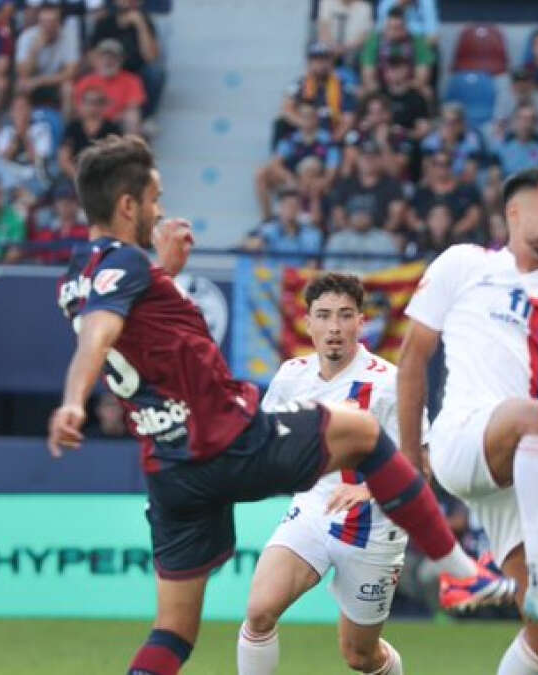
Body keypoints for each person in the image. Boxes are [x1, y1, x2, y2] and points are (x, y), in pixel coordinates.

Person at [46, 135, 511, 675]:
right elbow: (99, 336)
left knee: (173, 633)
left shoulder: (79, 279)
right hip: (222, 438)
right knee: (361, 433)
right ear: (128, 205)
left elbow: (123, 326)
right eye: (155, 197)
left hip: (170, 466)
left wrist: (163, 272)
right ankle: (457, 568)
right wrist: (74, 402)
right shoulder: (128, 265)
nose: (160, 209)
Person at [398, 164, 538, 667]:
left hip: (523, 474)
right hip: (467, 436)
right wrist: (412, 454)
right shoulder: (463, 263)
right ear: (514, 213)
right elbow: (412, 359)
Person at [238, 273, 482, 675]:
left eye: (345, 315)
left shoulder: (389, 383)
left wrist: (370, 489)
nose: (334, 327)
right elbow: (263, 446)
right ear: (309, 323)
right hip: (313, 509)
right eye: (324, 315)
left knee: (360, 656)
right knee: (259, 612)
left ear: (360, 322)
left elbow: (422, 466)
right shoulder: (290, 376)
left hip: (375, 527)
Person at [15, 3, 79, 111]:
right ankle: (23, 125)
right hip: (32, 82)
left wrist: (40, 81)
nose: (48, 26)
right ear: (38, 22)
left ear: (59, 23)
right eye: (44, 22)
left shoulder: (68, 36)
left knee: (68, 88)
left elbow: (71, 72)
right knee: (21, 85)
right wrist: (34, 51)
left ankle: (66, 125)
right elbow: (23, 73)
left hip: (55, 82)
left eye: (52, 21)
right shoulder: (27, 37)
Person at [73, 39, 146, 134]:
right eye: (104, 57)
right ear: (97, 60)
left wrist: (114, 117)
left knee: (132, 116)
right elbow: (78, 107)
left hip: (117, 122)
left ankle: (130, 147)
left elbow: (134, 106)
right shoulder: (87, 81)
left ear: (121, 60)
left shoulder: (131, 80)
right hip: (91, 122)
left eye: (113, 57)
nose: (108, 61)